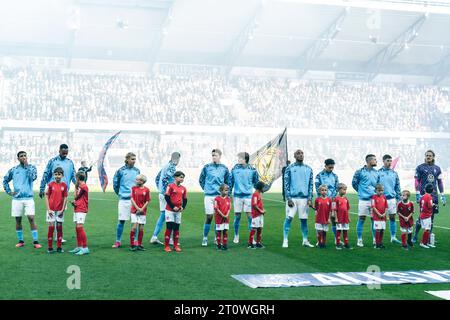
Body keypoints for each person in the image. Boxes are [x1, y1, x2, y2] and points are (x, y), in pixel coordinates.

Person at [3, 151, 41, 248]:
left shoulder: (32, 167)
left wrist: (27, 165)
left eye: (25, 156)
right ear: (18, 158)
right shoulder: (14, 169)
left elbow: (33, 177)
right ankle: (21, 241)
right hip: (17, 199)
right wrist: (9, 191)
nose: (23, 157)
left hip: (28, 198)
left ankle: (36, 242)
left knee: (31, 218)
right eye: (21, 156)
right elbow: (5, 179)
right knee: (18, 220)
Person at [39, 144, 76, 244]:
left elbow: (74, 176)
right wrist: (42, 188)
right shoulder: (52, 161)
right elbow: (46, 174)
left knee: (60, 212)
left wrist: (79, 185)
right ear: (59, 151)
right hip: (53, 191)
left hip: (64, 192)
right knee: (52, 213)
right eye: (63, 152)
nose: (65, 154)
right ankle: (52, 235)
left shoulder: (70, 162)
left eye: (66, 152)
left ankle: (58, 236)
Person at [412, 150, 446, 245]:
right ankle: (415, 236)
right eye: (427, 155)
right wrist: (418, 193)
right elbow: (416, 181)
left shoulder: (437, 168)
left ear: (433, 157)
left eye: (430, 155)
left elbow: (439, 182)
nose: (428, 157)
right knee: (421, 217)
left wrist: (442, 194)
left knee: (432, 218)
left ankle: (428, 237)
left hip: (434, 197)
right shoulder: (420, 167)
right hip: (424, 196)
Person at [282, 149, 314, 248]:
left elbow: (310, 184)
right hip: (293, 198)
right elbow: (286, 183)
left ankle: (305, 240)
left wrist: (309, 198)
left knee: (304, 220)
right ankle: (285, 239)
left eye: (302, 153)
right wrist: (288, 198)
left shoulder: (309, 169)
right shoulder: (290, 168)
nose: (301, 155)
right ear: (294, 156)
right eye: (298, 154)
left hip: (304, 199)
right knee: (289, 218)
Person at [199, 149, 230, 247]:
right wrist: (206, 188)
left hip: (219, 196)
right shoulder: (207, 167)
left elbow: (227, 182)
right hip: (209, 195)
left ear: (220, 156)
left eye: (215, 155)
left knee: (219, 217)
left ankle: (217, 239)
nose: (213, 157)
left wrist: (226, 194)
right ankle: (205, 237)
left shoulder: (224, 168)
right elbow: (201, 179)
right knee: (209, 217)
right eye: (212, 155)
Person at [150, 152, 180, 245]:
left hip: (162, 193)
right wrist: (168, 192)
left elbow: (157, 178)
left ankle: (154, 236)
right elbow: (165, 179)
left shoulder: (165, 166)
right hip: (167, 194)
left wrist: (160, 190)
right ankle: (170, 239)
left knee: (163, 215)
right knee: (171, 215)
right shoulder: (171, 167)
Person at [229, 152, 259, 244]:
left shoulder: (253, 170)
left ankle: (251, 238)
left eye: (240, 158)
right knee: (237, 217)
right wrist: (229, 194)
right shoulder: (234, 169)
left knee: (250, 217)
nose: (238, 160)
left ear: (245, 159)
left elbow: (256, 182)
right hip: (237, 196)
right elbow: (231, 182)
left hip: (248, 196)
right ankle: (236, 235)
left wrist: (257, 194)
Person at [112, 152, 140, 248]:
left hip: (134, 201)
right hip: (124, 200)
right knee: (121, 221)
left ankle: (135, 240)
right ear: (127, 159)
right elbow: (115, 184)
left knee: (135, 222)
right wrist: (120, 193)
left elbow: (139, 185)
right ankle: (118, 241)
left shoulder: (137, 171)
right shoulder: (120, 171)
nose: (134, 161)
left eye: (135, 159)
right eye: (132, 159)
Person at [352, 154, 379, 247]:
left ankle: (375, 239)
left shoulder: (376, 172)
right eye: (375, 160)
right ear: (369, 161)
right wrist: (361, 192)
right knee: (361, 219)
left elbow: (378, 185)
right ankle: (359, 239)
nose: (376, 161)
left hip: (373, 200)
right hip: (363, 199)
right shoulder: (359, 172)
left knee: (374, 220)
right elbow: (354, 183)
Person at [378, 154, 401, 244]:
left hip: (392, 199)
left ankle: (393, 237)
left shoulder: (394, 173)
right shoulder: (378, 172)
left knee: (392, 217)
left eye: (390, 161)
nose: (389, 162)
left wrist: (399, 199)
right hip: (381, 199)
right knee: (380, 218)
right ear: (383, 161)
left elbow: (397, 187)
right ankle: (378, 239)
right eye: (387, 161)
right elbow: (375, 186)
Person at [45, 167, 68, 253]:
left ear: (62, 175)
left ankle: (59, 247)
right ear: (54, 175)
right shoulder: (50, 185)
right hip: (51, 210)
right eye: (56, 174)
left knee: (59, 228)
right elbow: (46, 196)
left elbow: (65, 197)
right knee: (51, 227)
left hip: (59, 210)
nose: (57, 176)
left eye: (59, 174)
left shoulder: (64, 186)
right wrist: (48, 209)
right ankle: (50, 247)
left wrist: (62, 209)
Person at [315, 159, 339, 239]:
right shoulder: (319, 175)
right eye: (330, 167)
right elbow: (317, 187)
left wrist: (331, 197)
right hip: (321, 201)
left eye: (332, 167)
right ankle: (319, 240)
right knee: (320, 219)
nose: (331, 169)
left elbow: (337, 188)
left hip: (332, 200)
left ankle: (337, 239)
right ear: (325, 166)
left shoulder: (335, 176)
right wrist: (323, 198)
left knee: (333, 218)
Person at [164, 171, 188, 253]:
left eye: (183, 177)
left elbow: (185, 199)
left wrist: (183, 207)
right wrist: (172, 207)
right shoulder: (170, 186)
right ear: (175, 177)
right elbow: (166, 197)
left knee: (176, 228)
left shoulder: (183, 188)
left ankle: (175, 245)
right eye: (181, 177)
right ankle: (166, 246)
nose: (182, 179)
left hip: (178, 211)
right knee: (169, 227)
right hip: (169, 210)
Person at [69, 172, 90, 255]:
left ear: (77, 178)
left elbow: (75, 196)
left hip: (81, 209)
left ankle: (85, 247)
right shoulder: (81, 186)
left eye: (75, 178)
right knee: (77, 227)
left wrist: (75, 187)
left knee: (80, 227)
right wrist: (75, 203)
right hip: (77, 208)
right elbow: (77, 198)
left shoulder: (83, 186)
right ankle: (79, 246)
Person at [130, 174, 151, 252]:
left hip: (142, 211)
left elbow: (147, 200)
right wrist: (137, 208)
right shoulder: (133, 188)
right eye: (136, 179)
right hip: (134, 211)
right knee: (134, 227)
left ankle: (139, 244)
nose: (136, 181)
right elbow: (132, 199)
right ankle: (132, 244)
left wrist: (142, 209)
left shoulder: (147, 190)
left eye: (138, 180)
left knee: (141, 228)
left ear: (142, 181)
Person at [333, 183, 352, 250]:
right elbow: (334, 209)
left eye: (345, 189)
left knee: (345, 230)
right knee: (339, 230)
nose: (345, 191)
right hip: (339, 218)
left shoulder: (346, 199)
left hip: (345, 218)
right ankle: (338, 244)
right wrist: (336, 218)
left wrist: (348, 217)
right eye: (344, 189)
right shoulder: (336, 199)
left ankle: (346, 243)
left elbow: (347, 209)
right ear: (339, 190)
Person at [248, 181, 266, 249]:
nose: (264, 189)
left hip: (260, 215)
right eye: (263, 187)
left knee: (260, 228)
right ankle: (250, 243)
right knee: (254, 228)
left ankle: (258, 243)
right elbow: (254, 205)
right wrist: (261, 210)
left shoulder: (258, 194)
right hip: (256, 215)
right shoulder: (255, 194)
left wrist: (263, 210)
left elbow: (259, 204)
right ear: (260, 187)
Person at [214, 184, 231, 251]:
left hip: (226, 218)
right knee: (218, 231)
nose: (227, 191)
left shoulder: (228, 198)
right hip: (219, 218)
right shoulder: (217, 198)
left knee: (225, 231)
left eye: (227, 190)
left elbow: (229, 208)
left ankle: (225, 245)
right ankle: (218, 245)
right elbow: (216, 208)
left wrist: (226, 215)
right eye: (225, 190)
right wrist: (223, 215)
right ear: (221, 190)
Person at [371, 184, 388, 249]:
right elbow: (373, 207)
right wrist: (378, 214)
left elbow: (386, 206)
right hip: (377, 217)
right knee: (378, 230)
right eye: (379, 190)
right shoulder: (373, 197)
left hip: (383, 217)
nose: (381, 192)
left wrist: (384, 213)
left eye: (382, 190)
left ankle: (380, 242)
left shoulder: (384, 197)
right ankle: (377, 243)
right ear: (376, 190)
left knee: (382, 230)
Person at [419, 184, 435, 249]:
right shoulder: (429, 197)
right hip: (427, 216)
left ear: (425, 189)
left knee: (426, 229)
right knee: (427, 229)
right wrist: (433, 205)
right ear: (432, 190)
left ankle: (426, 242)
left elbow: (420, 205)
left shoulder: (422, 196)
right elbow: (429, 206)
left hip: (422, 214)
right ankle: (423, 243)